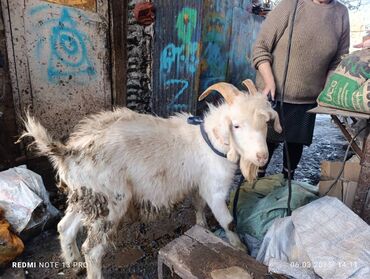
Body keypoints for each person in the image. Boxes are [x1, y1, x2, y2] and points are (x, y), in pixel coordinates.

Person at [252, 0, 350, 179]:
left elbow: (337, 61)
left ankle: (284, 190)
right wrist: (269, 81)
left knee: (294, 149)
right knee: (264, 148)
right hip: (273, 96)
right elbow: (260, 48)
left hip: (307, 102)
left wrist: (326, 92)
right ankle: (252, 187)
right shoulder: (291, 5)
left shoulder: (341, 13)